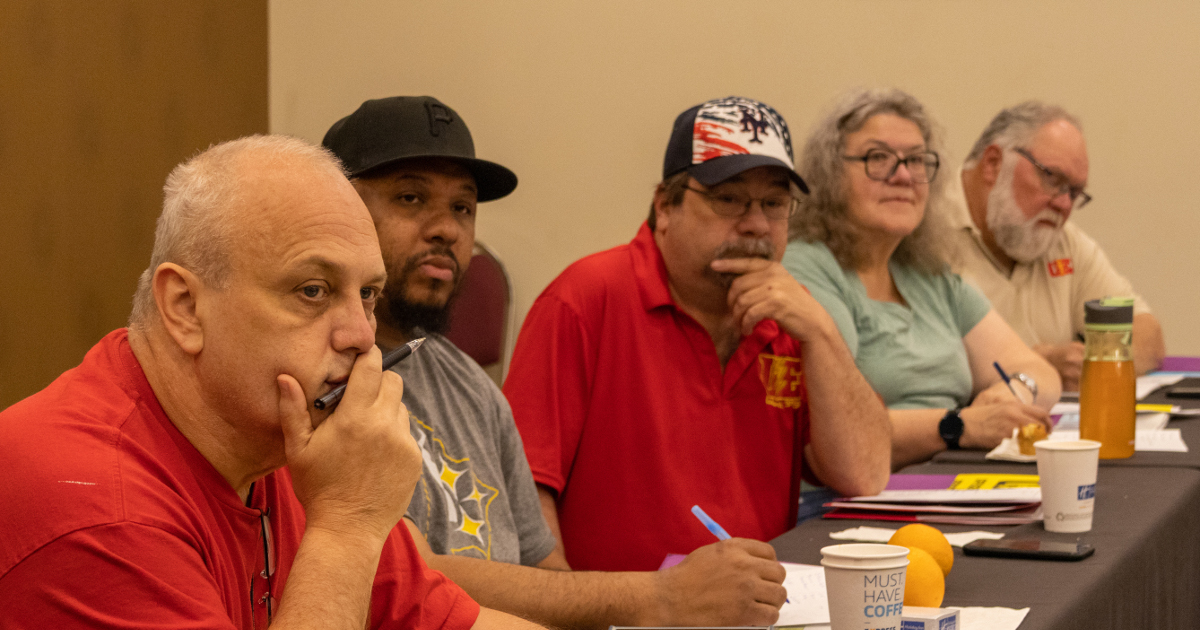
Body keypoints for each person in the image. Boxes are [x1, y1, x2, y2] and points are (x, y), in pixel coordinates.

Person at [0, 135, 537, 630]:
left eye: (368, 294)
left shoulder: (281, 443)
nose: (361, 336)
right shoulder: (94, 506)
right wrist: (346, 528)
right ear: (185, 307)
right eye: (313, 291)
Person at [323, 95, 798, 628]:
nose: (447, 229)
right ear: (338, 209)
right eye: (411, 198)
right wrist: (659, 598)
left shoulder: (469, 385)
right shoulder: (322, 384)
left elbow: (544, 569)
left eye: (463, 208)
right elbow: (405, 576)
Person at [503, 96, 892, 574]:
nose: (755, 224)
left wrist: (822, 333)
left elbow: (866, 474)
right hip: (624, 615)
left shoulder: (790, 318)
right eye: (728, 198)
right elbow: (521, 498)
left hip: (768, 608)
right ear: (665, 205)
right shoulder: (583, 300)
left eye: (773, 204)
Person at [781, 88, 1061, 469]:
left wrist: (1015, 394)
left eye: (916, 160)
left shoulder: (924, 272)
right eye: (877, 158)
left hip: (942, 482)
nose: (903, 176)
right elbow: (837, 435)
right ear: (830, 173)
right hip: (845, 502)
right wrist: (958, 426)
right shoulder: (807, 269)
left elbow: (1041, 373)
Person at [948, 101, 1165, 391]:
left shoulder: (1064, 244)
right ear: (993, 164)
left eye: (1075, 193)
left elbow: (1145, 332)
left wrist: (1096, 361)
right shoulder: (920, 234)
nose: (1064, 204)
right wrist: (1035, 365)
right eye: (1052, 178)